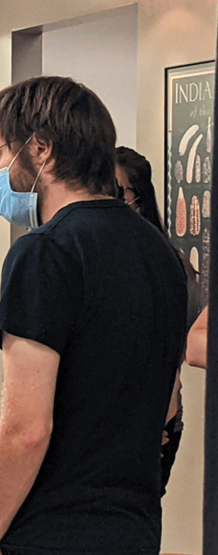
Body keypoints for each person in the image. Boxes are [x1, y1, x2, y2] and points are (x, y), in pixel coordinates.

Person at [0, 76, 186, 555]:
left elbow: (26, 428)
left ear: (40, 148)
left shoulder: (45, 250)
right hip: (133, 528)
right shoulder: (161, 252)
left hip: (52, 536)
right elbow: (166, 405)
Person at [116, 145, 202, 496]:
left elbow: (180, 348)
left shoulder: (169, 263)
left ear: (139, 198)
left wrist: (153, 419)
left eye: (116, 192)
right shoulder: (77, 255)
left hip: (153, 420)